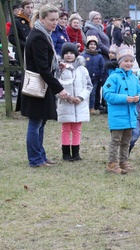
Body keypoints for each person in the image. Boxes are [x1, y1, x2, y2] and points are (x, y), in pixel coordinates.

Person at [18, 4, 69, 167]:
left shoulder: (43, 34)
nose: (55, 23)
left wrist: (56, 65)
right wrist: (59, 88)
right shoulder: (39, 36)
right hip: (38, 85)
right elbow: (42, 68)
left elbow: (46, 63)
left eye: (57, 19)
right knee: (36, 122)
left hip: (43, 84)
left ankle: (40, 155)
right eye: (51, 20)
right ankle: (35, 159)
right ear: (42, 18)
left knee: (40, 122)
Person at [103, 44, 140, 174]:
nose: (128, 63)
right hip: (117, 116)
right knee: (116, 141)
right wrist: (125, 98)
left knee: (126, 141)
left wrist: (139, 98)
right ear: (120, 62)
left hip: (131, 115)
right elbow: (107, 94)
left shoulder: (134, 77)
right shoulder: (113, 77)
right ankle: (112, 163)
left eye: (131, 61)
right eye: (126, 61)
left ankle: (123, 161)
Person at [57, 43, 93, 161]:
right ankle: (66, 153)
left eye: (71, 53)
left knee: (77, 129)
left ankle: (76, 152)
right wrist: (67, 97)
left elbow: (88, 86)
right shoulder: (60, 69)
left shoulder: (83, 70)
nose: (69, 55)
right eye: (66, 53)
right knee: (66, 128)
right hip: (66, 103)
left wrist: (81, 97)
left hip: (79, 104)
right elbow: (56, 86)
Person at [81, 35, 105, 114]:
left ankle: (91, 107)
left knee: (93, 93)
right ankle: (83, 107)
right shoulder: (83, 56)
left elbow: (102, 67)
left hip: (95, 78)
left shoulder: (99, 56)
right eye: (91, 44)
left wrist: (101, 77)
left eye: (94, 44)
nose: (92, 46)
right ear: (88, 45)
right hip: (85, 78)